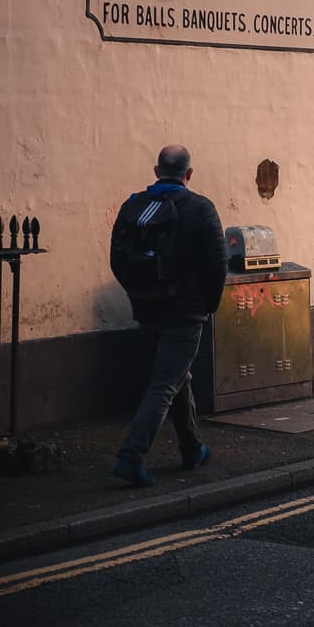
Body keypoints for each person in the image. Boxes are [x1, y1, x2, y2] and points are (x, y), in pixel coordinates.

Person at [110, 144, 227, 486]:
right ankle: (131, 457)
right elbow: (217, 265)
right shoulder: (200, 208)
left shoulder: (133, 206)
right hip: (186, 310)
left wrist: (138, 292)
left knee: (176, 376)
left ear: (156, 171)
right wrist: (208, 304)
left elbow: (118, 259)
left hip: (146, 306)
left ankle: (192, 448)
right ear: (189, 174)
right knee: (165, 382)